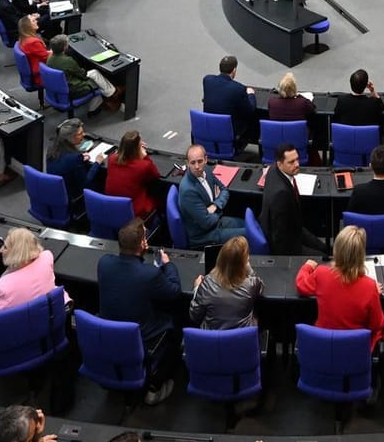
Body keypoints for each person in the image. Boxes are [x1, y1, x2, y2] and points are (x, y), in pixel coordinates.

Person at [96, 218, 181, 405]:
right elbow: (174, 291)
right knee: (175, 317)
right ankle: (155, 386)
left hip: (108, 333)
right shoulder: (149, 274)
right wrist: (168, 265)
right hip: (142, 338)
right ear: (143, 243)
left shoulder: (104, 263)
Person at [296, 224, 384, 349]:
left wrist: (307, 267)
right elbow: (378, 324)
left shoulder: (321, 273)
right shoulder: (370, 287)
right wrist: (373, 292)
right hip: (355, 351)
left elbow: (301, 285)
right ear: (360, 256)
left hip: (324, 347)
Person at [0, 226, 64, 338]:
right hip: (47, 330)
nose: (1, 250)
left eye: (5, 247)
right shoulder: (47, 257)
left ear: (16, 254)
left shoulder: (2, 288)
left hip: (16, 340)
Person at [261, 143, 327, 255]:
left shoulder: (273, 169)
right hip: (287, 243)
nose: (297, 164)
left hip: (295, 227)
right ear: (280, 164)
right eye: (291, 162)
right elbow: (280, 239)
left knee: (324, 248)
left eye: (297, 159)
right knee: (322, 256)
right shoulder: (281, 195)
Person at [177, 143, 245, 249]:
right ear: (187, 163)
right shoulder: (188, 190)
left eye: (199, 161)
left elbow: (224, 190)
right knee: (248, 234)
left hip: (216, 220)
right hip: (204, 235)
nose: (197, 166)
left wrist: (215, 205)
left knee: (250, 225)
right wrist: (218, 208)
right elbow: (206, 223)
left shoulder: (206, 170)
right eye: (192, 163)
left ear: (205, 159)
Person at [188, 234, 262, 329]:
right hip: (242, 341)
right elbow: (259, 286)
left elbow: (194, 316)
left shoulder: (207, 283)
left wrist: (196, 289)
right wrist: (248, 268)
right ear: (244, 262)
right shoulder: (251, 284)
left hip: (212, 342)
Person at [47, 33, 120, 110]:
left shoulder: (50, 58)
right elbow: (82, 75)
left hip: (60, 87)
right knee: (94, 74)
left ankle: (109, 93)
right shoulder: (67, 61)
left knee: (92, 74)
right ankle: (111, 94)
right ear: (64, 47)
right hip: (73, 89)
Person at [102, 129, 162, 221]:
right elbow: (155, 175)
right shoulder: (143, 165)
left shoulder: (112, 159)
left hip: (112, 208)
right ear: (137, 148)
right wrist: (145, 156)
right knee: (159, 196)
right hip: (134, 213)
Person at [201, 56, 257, 148]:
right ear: (234, 70)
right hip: (230, 133)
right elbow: (250, 110)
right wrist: (251, 94)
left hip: (210, 128)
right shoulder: (238, 89)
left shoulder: (207, 80)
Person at [46, 118, 100, 203]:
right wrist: (97, 162)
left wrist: (80, 158)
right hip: (71, 198)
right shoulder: (74, 158)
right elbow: (85, 183)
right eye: (80, 133)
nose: (84, 134)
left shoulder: (52, 148)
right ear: (70, 138)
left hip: (55, 192)